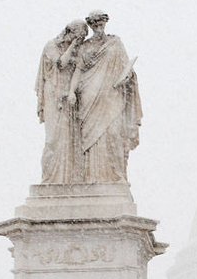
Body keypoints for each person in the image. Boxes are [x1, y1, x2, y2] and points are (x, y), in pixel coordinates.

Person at [67, 10, 142, 182]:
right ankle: (90, 177)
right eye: (95, 25)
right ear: (91, 25)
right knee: (89, 139)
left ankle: (114, 175)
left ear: (105, 24)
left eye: (101, 24)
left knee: (113, 134)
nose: (98, 27)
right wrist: (71, 91)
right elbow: (78, 70)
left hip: (111, 96)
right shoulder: (85, 47)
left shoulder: (115, 43)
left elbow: (126, 67)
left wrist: (128, 77)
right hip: (89, 96)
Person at [36, 20, 88, 183]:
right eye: (77, 36)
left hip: (68, 98)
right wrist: (73, 45)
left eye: (81, 38)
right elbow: (60, 63)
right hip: (53, 95)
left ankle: (69, 178)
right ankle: (50, 177)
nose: (78, 40)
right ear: (69, 32)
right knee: (53, 138)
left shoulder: (77, 50)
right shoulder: (51, 46)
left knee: (70, 139)